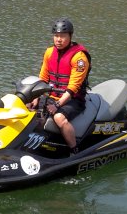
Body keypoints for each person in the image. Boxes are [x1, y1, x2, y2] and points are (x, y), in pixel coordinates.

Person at [29, 17, 91, 154]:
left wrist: (57, 105)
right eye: (56, 36)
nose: (58, 39)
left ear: (70, 36)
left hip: (73, 99)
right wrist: (35, 98)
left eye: (62, 36)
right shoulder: (49, 52)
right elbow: (43, 78)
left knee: (59, 118)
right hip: (52, 96)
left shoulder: (79, 58)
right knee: (27, 108)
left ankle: (74, 150)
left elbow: (73, 87)